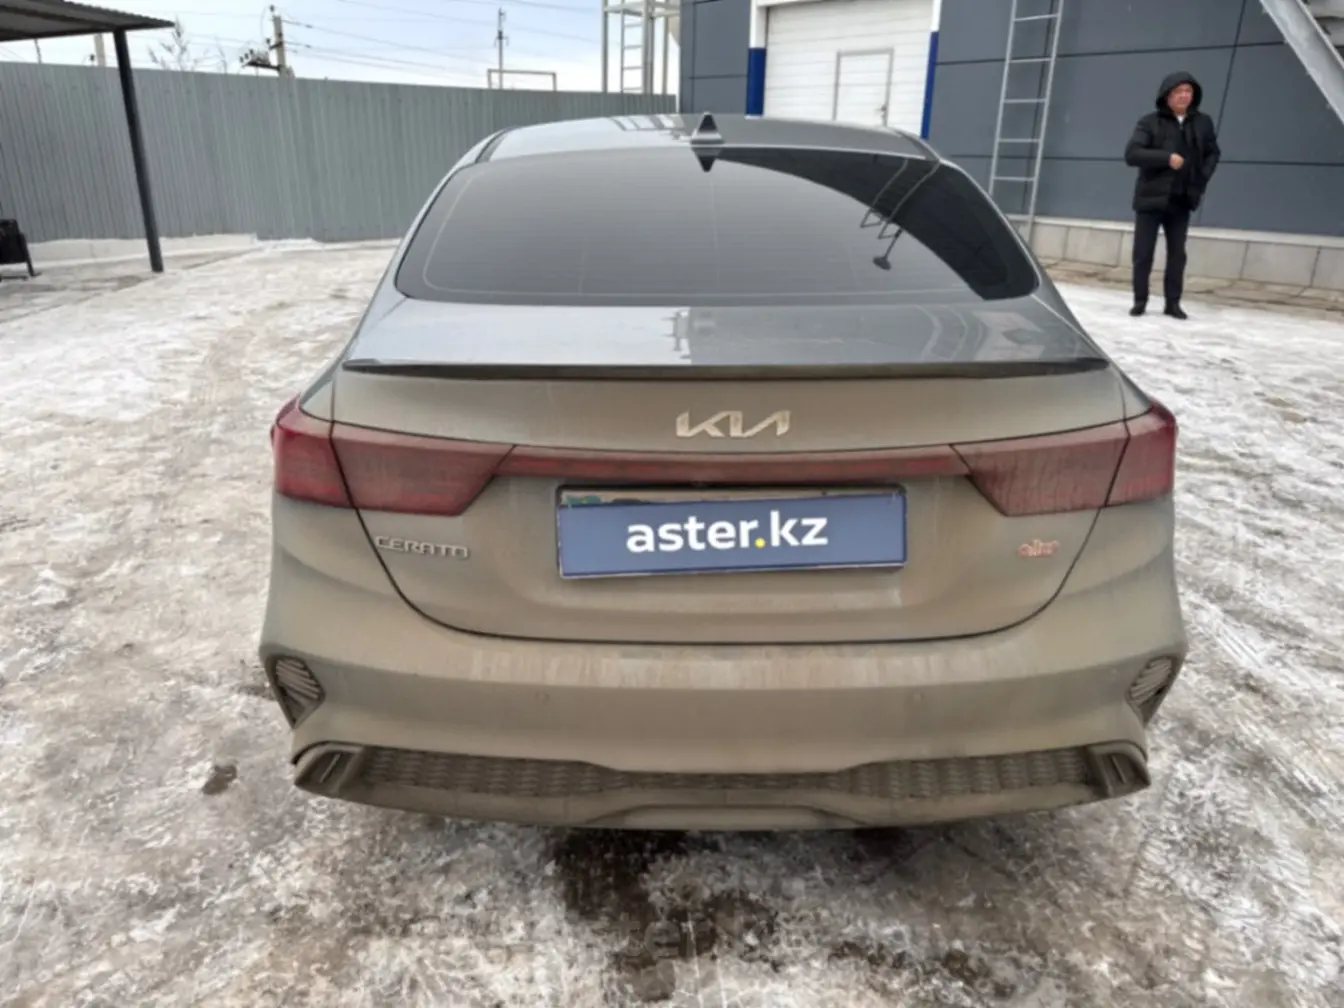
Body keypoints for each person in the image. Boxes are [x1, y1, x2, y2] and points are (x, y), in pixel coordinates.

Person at [1123, 72, 1221, 320]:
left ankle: (1172, 303)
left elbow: (1213, 153)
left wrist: (1201, 178)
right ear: (1167, 96)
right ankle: (1140, 301)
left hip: (1182, 198)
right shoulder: (1150, 122)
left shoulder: (1203, 122)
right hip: (1150, 198)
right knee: (1143, 253)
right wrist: (1166, 158)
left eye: (1188, 91)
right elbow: (1132, 154)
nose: (1184, 96)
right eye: (1178, 92)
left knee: (1177, 255)